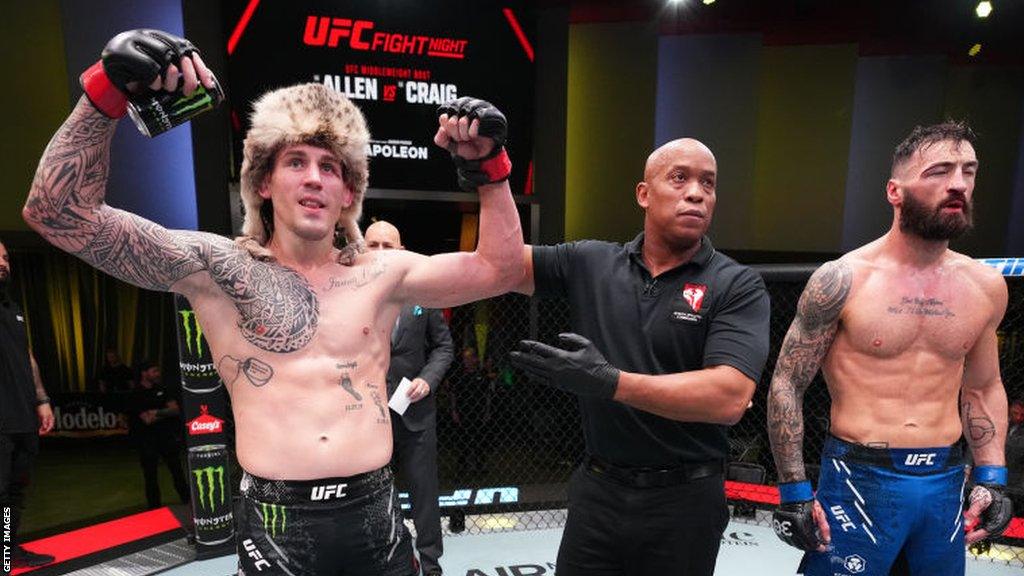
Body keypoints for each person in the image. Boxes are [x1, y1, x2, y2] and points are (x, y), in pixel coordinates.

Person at [24, 29, 523, 575]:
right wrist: (103, 92)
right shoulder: (218, 269)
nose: (314, 179)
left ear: (348, 193)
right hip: (276, 521)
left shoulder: (383, 274)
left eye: (330, 167)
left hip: (375, 513)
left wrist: (491, 169)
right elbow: (57, 214)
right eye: (296, 162)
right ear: (262, 182)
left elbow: (499, 269)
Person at [509, 139, 771, 575]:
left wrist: (609, 381)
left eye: (708, 183)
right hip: (599, 490)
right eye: (680, 178)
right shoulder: (591, 261)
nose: (697, 193)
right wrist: (492, 177)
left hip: (685, 500)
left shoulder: (735, 284)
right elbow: (499, 265)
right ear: (643, 194)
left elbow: (728, 397)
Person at [766, 122, 1014, 576]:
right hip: (857, 478)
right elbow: (787, 383)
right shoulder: (842, 279)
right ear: (894, 191)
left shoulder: (985, 286)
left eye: (968, 170)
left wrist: (992, 478)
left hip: (943, 483)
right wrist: (794, 490)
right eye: (939, 171)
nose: (958, 184)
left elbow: (982, 386)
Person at [365, 220, 454, 576]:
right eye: (374, 245)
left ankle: (431, 567)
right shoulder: (348, 295)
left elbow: (444, 347)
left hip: (415, 412)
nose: (382, 252)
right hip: (366, 419)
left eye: (389, 245)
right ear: (361, 249)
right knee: (371, 499)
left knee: (424, 494)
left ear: (402, 251)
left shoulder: (422, 293)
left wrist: (427, 380)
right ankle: (380, 562)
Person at [0, 239, 56, 568]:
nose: (3, 262)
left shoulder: (14, 309)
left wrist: (42, 399)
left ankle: (9, 552)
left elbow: (27, 356)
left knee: (15, 493)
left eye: (6, 256)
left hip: (23, 418)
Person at [126, 360, 189, 509]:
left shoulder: (162, 389)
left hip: (166, 438)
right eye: (154, 371)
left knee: (177, 471)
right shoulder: (136, 394)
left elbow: (175, 409)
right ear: (144, 373)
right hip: (147, 441)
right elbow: (147, 419)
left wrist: (157, 412)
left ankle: (188, 502)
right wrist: (163, 412)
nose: (157, 374)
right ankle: (154, 509)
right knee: (150, 475)